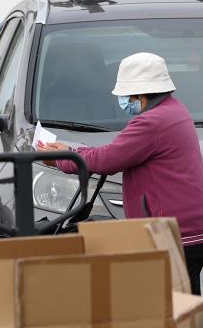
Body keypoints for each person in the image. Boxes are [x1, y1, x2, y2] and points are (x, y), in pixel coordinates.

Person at [38, 52, 203, 294]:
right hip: (188, 231)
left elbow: (107, 160)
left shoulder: (152, 123)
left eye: (126, 96)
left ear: (141, 93)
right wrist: (73, 151)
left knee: (172, 308)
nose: (124, 100)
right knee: (186, 303)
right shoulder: (174, 111)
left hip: (173, 234)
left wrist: (64, 157)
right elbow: (117, 152)